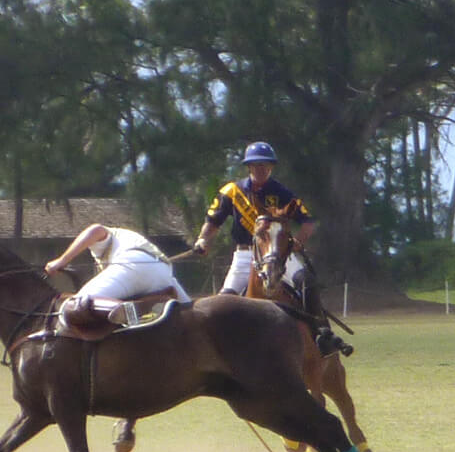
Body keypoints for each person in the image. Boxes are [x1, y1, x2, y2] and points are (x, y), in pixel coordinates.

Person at [192, 141, 341, 356]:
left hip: (280, 253)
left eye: (265, 165)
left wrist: (297, 242)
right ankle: (219, 353)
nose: (261, 169)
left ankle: (322, 335)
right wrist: (202, 240)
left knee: (307, 281)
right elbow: (213, 221)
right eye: (256, 165)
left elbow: (307, 222)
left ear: (271, 167)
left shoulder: (281, 192)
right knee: (224, 301)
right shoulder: (232, 191)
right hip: (246, 254)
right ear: (248, 167)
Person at [45, 223, 191, 329]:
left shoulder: (109, 237)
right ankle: (142, 309)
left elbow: (95, 229)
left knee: (76, 304)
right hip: (164, 273)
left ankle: (130, 312)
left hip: (133, 264)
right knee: (189, 312)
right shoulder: (128, 238)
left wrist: (61, 261)